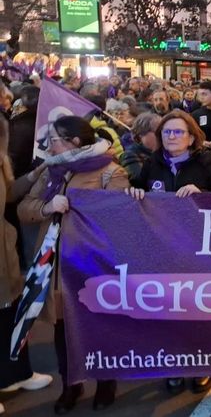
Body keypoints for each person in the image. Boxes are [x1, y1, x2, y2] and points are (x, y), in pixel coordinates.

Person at [18, 116, 129, 414]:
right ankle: (71, 384)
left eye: (53, 139)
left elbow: (119, 214)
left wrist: (81, 209)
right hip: (54, 264)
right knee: (62, 330)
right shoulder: (51, 171)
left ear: (74, 142)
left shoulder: (110, 170)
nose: (48, 145)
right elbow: (24, 207)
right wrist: (47, 206)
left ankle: (106, 381)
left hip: (93, 262)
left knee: (100, 324)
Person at [128, 110, 211, 396]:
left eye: (178, 132)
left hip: (202, 249)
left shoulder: (209, 163)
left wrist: (203, 194)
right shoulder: (152, 164)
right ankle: (173, 364)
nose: (172, 137)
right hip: (164, 249)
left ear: (192, 136)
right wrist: (134, 193)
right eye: (167, 132)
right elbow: (138, 194)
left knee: (200, 308)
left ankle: (202, 364)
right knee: (169, 309)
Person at [0, 117, 53, 415]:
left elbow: (8, 193)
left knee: (10, 315)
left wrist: (36, 174)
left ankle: (15, 375)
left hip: (5, 254)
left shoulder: (1, 162)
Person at [119, 112, 161, 183]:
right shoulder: (129, 155)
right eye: (157, 131)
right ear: (142, 135)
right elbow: (138, 180)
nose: (161, 135)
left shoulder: (165, 151)